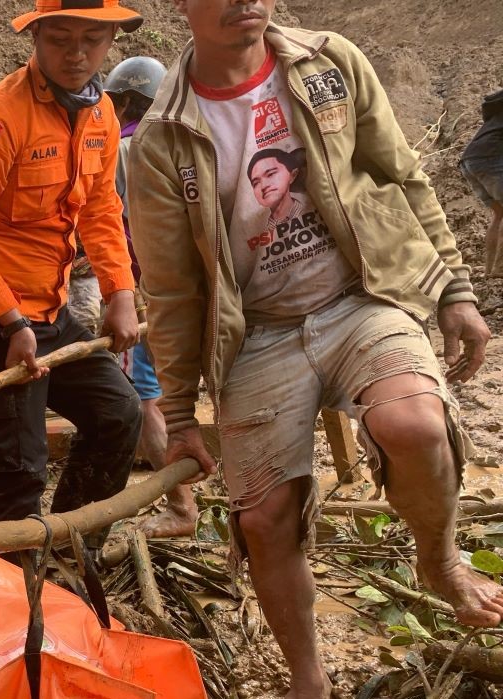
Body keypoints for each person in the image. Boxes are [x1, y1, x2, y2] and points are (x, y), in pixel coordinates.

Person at [129, 2, 502, 696]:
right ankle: (309, 680)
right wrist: (178, 414)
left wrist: (454, 288)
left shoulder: (328, 62)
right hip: (257, 332)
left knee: (416, 425)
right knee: (264, 518)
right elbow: (172, 287)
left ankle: (441, 559)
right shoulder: (162, 137)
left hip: (361, 296)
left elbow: (401, 173)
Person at [0, 0, 144, 532]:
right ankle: (10, 572)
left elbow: (101, 208)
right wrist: (11, 322)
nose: (77, 54)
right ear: (36, 37)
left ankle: (71, 548)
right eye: (60, 39)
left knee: (119, 414)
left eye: (91, 40)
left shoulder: (101, 114)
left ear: (111, 41)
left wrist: (120, 292)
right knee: (18, 476)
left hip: (51, 313)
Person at [92, 55, 196, 539]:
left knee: (146, 399)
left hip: (145, 294)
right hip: (193, 294)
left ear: (125, 103)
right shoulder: (187, 147)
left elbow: (106, 223)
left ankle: (182, 507)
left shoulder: (121, 151)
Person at [460, 89, 503, 277]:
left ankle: (490, 270)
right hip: (489, 158)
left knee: (499, 213)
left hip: (469, 160)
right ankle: (500, 268)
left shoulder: (498, 111)